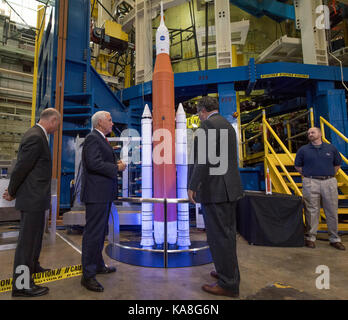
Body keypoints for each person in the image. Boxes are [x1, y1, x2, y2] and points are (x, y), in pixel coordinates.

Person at [188, 96, 244, 298]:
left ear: (202, 110)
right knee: (227, 236)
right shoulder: (227, 125)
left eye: (197, 113)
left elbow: (202, 160)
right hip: (229, 189)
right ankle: (226, 273)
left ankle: (228, 284)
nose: (198, 116)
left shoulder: (207, 126)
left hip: (216, 190)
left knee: (219, 238)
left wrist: (192, 186)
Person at [2, 108, 61, 297]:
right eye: (57, 125)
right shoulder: (36, 136)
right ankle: (21, 285)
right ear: (52, 120)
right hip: (32, 199)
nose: (57, 128)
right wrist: (12, 191)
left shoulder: (38, 135)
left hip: (37, 198)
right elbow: (21, 167)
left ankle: (33, 268)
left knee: (34, 240)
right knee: (26, 243)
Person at [80, 111, 127, 292]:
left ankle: (98, 264)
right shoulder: (93, 138)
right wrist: (116, 167)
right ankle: (88, 275)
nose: (112, 123)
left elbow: (100, 161)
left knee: (100, 233)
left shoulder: (100, 138)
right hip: (96, 195)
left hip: (102, 194)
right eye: (109, 120)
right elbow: (93, 163)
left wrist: (116, 163)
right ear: (100, 123)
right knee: (93, 234)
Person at [295, 127, 345, 250]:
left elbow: (337, 165)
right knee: (311, 211)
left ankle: (334, 239)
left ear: (320, 134)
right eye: (308, 133)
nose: (310, 134)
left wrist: (327, 175)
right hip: (311, 182)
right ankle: (311, 238)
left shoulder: (331, 148)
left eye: (313, 132)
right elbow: (298, 166)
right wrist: (309, 175)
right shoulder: (303, 150)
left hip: (329, 181)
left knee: (332, 211)